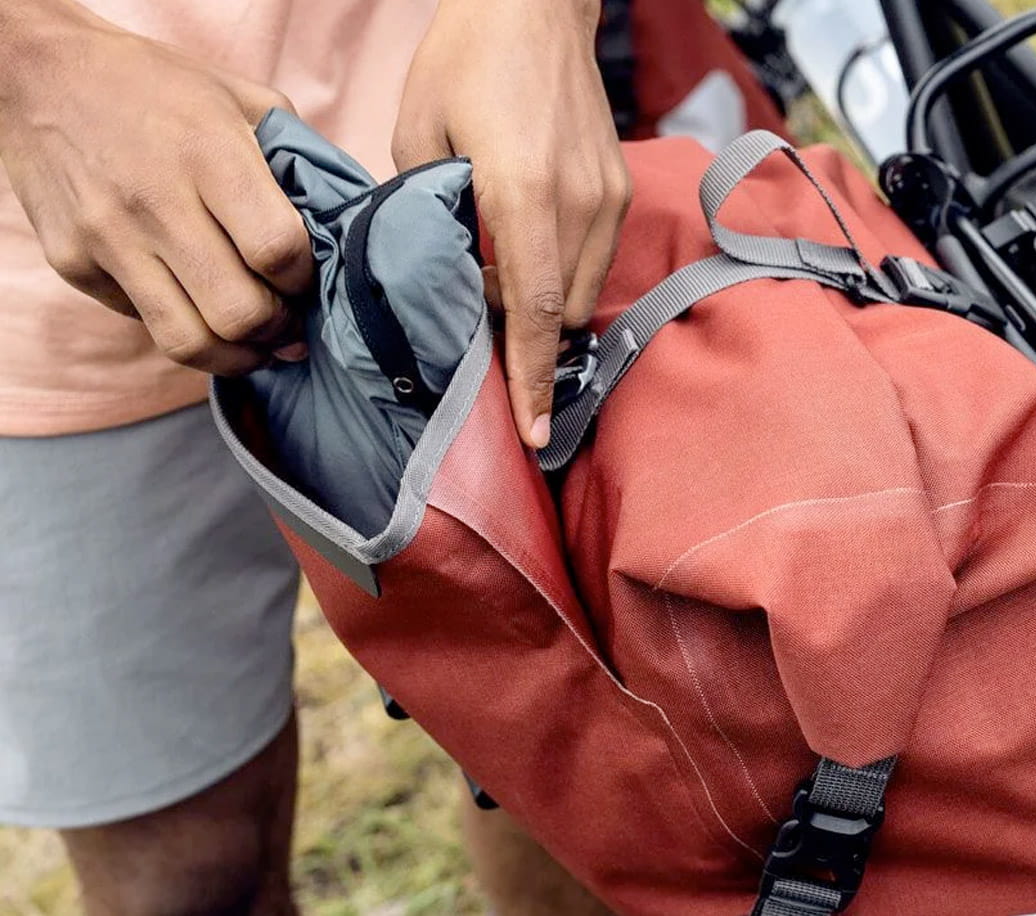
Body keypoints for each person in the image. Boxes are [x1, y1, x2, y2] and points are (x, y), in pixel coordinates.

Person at [0, 0, 631, 912]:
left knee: (570, 767)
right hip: (43, 280)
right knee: (186, 879)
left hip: (458, 173)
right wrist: (26, 64)